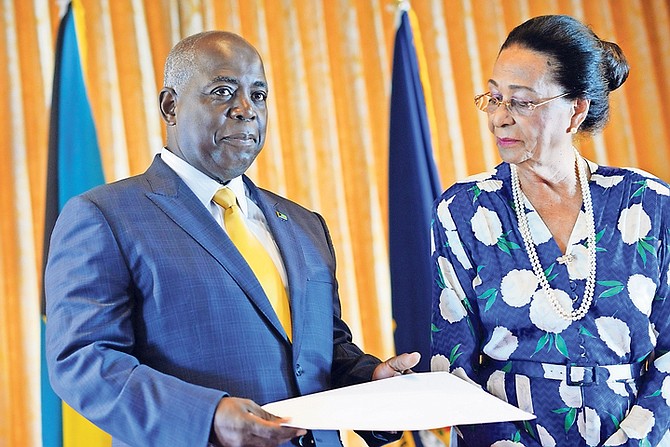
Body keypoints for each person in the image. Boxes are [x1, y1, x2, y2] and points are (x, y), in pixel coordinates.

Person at [45, 30, 419, 447]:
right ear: (170, 106)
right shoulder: (105, 216)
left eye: (259, 95)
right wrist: (208, 418)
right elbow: (84, 360)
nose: (246, 110)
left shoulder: (303, 223)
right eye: (223, 92)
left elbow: (322, 351)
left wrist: (371, 379)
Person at [430, 15, 670, 447]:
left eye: (521, 102)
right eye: (494, 97)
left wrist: (634, 442)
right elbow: (454, 364)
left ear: (575, 109)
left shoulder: (648, 202)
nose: (499, 119)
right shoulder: (464, 210)